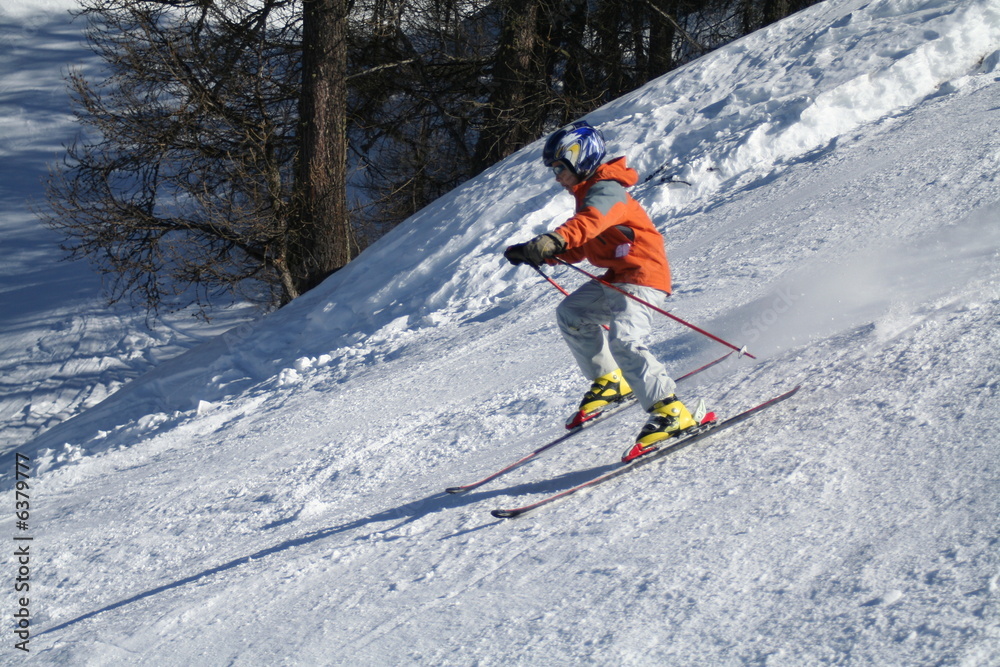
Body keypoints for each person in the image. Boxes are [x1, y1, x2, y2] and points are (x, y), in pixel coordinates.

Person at [504, 120, 705, 462]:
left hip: (642, 275)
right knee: (573, 313)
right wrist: (542, 252)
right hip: (618, 276)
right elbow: (586, 243)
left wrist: (554, 239)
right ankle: (611, 381)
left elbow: (589, 224)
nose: (556, 177)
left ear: (579, 158)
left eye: (559, 168)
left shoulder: (607, 190)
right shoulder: (589, 193)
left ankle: (672, 411)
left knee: (625, 340)